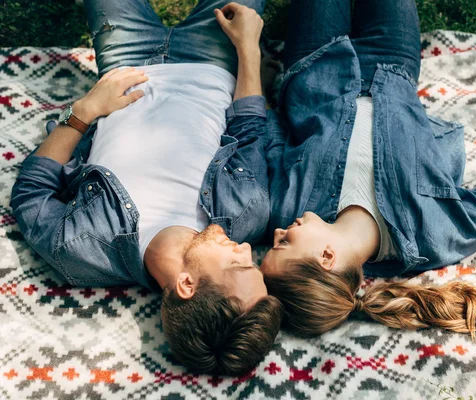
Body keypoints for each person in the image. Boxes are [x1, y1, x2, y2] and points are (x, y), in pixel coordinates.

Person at [10, 0, 283, 375]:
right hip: (214, 58)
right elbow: (248, 129)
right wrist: (248, 49)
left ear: (186, 284)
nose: (248, 248)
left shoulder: (80, 249)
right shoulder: (247, 213)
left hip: (126, 59)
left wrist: (84, 112)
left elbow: (30, 192)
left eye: (239, 266)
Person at [259, 0, 476, 341]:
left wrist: (267, 84)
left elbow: (270, 133)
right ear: (327, 257)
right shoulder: (430, 233)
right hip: (391, 61)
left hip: (315, 63)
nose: (277, 235)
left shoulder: (283, 210)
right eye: (281, 246)